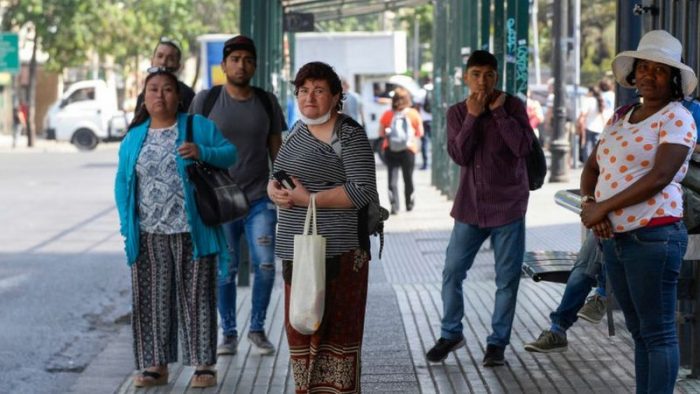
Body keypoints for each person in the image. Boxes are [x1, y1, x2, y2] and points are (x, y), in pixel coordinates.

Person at [579, 30, 697, 394]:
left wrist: (602, 208)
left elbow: (660, 177)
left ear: (674, 79)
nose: (647, 74)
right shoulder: (621, 115)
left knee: (658, 331)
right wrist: (590, 206)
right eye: (642, 67)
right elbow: (592, 168)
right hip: (614, 238)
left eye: (658, 70)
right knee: (639, 331)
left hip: (654, 236)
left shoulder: (677, 118)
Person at [115, 68, 237, 388]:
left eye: (167, 89)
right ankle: (156, 365)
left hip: (192, 231)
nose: (159, 95)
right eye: (153, 89)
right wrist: (128, 230)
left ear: (178, 96)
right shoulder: (133, 138)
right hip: (149, 234)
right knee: (152, 300)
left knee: (197, 298)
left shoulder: (197, 127)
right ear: (144, 97)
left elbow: (230, 153)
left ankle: (204, 365)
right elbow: (122, 185)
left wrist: (202, 152)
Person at [267, 61, 378, 392]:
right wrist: (272, 191)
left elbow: (362, 190)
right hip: (295, 252)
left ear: (336, 96)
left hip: (341, 254)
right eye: (303, 90)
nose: (309, 97)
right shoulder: (295, 133)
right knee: (301, 327)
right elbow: (278, 178)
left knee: (336, 333)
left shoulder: (349, 133)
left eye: (318, 90)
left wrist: (308, 199)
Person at [425, 50, 534, 366]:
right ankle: (450, 333)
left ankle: (497, 344)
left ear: (496, 76)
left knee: (507, 279)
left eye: (488, 74)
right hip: (470, 208)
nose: (482, 81)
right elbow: (459, 155)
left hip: (509, 208)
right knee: (452, 271)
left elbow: (523, 147)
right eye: (475, 74)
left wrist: (500, 115)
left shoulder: (513, 107)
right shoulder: (458, 112)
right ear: (465, 77)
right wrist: (473, 117)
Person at [189, 35, 286, 356]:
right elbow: (191, 146)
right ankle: (228, 333)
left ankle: (257, 328)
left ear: (254, 65)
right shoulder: (207, 100)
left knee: (266, 266)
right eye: (235, 59)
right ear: (224, 65)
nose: (241, 65)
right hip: (221, 202)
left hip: (260, 200)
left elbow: (277, 149)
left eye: (247, 59)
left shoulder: (266, 101)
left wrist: (283, 184)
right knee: (226, 270)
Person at [524, 234, 608, 353]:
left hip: (627, 227)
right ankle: (558, 330)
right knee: (582, 268)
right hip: (602, 223)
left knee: (609, 243)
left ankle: (603, 294)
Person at [378, 87, 424, 214]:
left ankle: (394, 206)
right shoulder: (413, 113)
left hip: (390, 149)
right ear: (407, 99)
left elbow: (381, 133)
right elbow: (420, 132)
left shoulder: (387, 114)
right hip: (409, 149)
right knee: (408, 178)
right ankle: (409, 203)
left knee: (392, 178)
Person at [135, 37, 195, 112]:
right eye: (160, 56)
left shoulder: (187, 94)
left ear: (178, 66)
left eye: (170, 59)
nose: (163, 62)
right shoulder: (142, 97)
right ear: (152, 61)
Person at [577, 86, 612, 163]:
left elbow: (583, 114)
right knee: (597, 148)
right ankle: (597, 165)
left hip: (589, 127)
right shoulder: (601, 100)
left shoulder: (588, 100)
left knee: (587, 148)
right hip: (599, 128)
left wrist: (579, 123)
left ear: (591, 92)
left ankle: (587, 166)